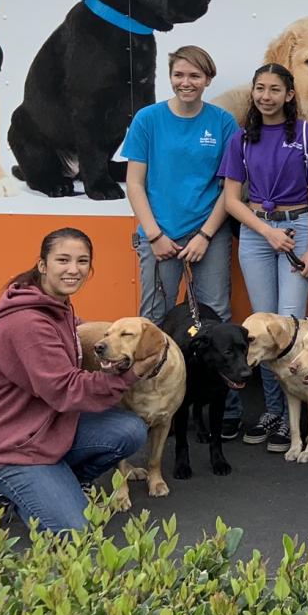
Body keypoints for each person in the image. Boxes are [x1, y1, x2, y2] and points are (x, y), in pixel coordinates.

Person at [0, 228, 156, 534]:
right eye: (63, 260)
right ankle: (10, 491)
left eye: (83, 261)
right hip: (14, 448)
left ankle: (64, 480)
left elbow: (77, 340)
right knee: (77, 531)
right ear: (43, 265)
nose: (74, 269)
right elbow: (66, 390)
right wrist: (132, 373)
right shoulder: (27, 322)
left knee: (130, 430)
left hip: (49, 428)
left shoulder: (58, 306)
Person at [123, 45, 240, 438]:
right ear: (169, 77)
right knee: (152, 321)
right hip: (159, 238)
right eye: (179, 75)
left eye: (194, 76)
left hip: (208, 235)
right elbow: (134, 183)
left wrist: (206, 234)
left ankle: (225, 408)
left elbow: (230, 189)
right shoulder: (148, 120)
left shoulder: (223, 123)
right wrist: (154, 235)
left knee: (217, 319)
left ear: (208, 80)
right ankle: (147, 403)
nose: (186, 82)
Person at [220, 63, 308, 453]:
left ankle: (292, 415)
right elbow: (232, 199)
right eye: (259, 89)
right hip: (256, 232)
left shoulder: (306, 134)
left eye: (274, 90)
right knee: (259, 325)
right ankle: (272, 408)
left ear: (289, 94)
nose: (266, 96)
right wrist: (266, 232)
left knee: (291, 323)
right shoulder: (240, 138)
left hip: (297, 228)